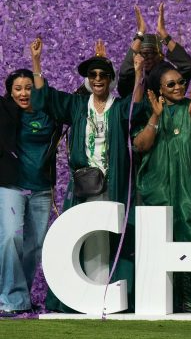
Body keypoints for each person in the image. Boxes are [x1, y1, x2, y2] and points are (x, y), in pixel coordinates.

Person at [29, 39, 146, 313]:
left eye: (103, 74)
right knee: (87, 239)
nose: (97, 79)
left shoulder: (118, 107)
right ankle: (86, 293)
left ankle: (112, 294)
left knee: (114, 238)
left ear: (111, 79)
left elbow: (137, 109)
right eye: (92, 75)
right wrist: (36, 62)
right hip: (86, 186)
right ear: (87, 80)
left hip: (114, 183)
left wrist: (140, 73)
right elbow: (45, 98)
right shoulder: (78, 106)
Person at [132, 65, 191, 312]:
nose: (179, 87)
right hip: (158, 187)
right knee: (159, 242)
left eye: (181, 82)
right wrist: (155, 117)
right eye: (171, 84)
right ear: (159, 89)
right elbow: (140, 146)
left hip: (190, 187)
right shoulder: (148, 110)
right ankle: (161, 298)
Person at [0, 50, 61, 316]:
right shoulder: (5, 113)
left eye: (28, 88)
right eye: (18, 88)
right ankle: (11, 298)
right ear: (9, 92)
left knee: (35, 246)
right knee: (10, 238)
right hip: (12, 187)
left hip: (41, 189)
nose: (24, 93)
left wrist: (37, 62)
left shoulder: (50, 114)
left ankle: (20, 298)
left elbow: (77, 97)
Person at [117, 4, 191, 97]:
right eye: (142, 54)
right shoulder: (133, 75)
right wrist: (140, 33)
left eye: (150, 53)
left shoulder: (166, 73)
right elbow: (124, 74)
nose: (146, 58)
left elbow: (187, 67)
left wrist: (164, 34)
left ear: (160, 55)